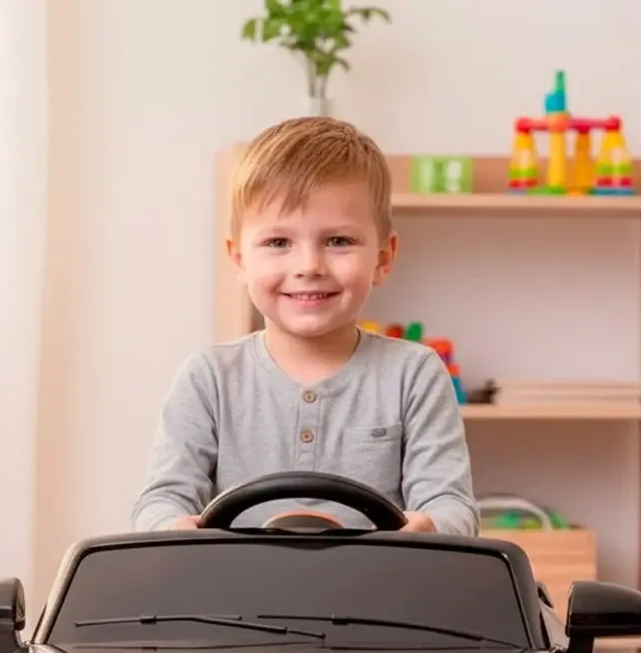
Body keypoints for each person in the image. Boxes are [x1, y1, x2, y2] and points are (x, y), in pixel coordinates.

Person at [130, 116, 478, 535]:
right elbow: (161, 501)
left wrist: (434, 527)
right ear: (239, 259)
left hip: (377, 577)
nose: (309, 266)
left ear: (383, 258)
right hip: (235, 577)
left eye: (338, 241)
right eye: (278, 242)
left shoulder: (415, 373)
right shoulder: (209, 377)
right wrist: (172, 527)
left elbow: (450, 504)